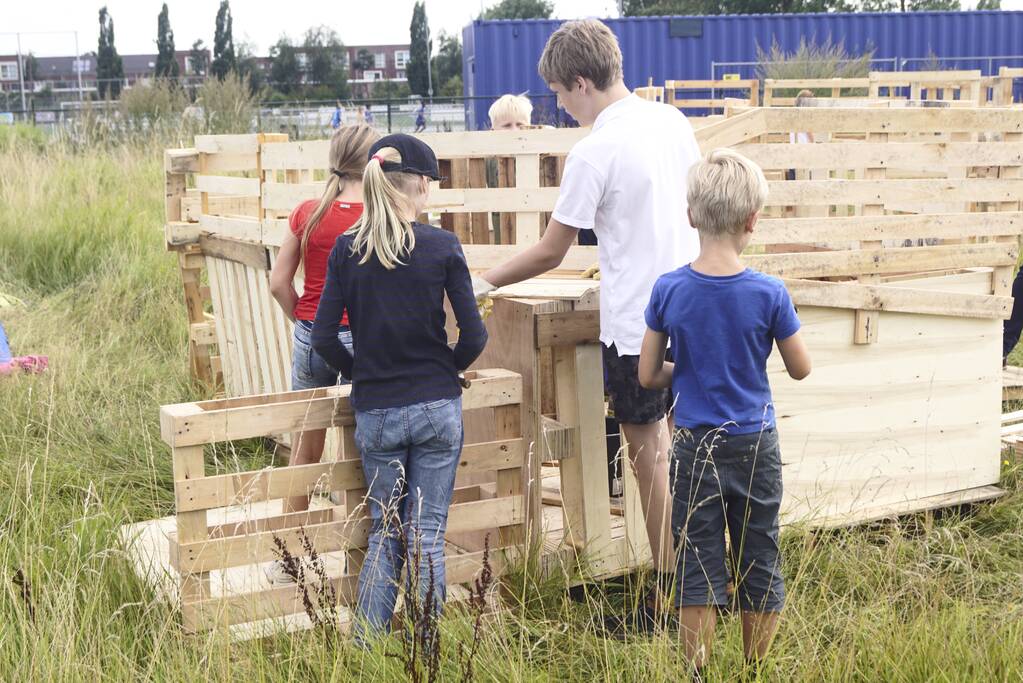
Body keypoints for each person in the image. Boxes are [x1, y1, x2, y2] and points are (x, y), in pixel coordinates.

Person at [472, 18, 701, 627]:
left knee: (648, 453)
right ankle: (705, 580)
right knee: (689, 448)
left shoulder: (594, 150)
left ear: (579, 82)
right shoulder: (673, 122)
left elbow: (551, 250)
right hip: (697, 306)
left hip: (638, 324)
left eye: (559, 93)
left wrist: (485, 279)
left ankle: (673, 593)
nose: (560, 106)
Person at [639, 148, 811, 678]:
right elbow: (801, 367)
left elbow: (648, 375)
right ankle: (756, 670)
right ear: (752, 221)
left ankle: (696, 672)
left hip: (694, 446)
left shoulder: (669, 289)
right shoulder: (769, 292)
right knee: (759, 553)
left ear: (692, 215)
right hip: (755, 442)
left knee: (698, 560)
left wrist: (686, 371)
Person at [310, 134, 487, 641]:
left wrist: (360, 370)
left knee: (386, 531)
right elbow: (474, 334)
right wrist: (445, 370)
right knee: (426, 533)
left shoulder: (348, 249)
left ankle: (367, 644)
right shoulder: (442, 246)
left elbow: (323, 336)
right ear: (421, 186)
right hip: (437, 405)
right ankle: (428, 647)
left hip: (378, 409)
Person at [266, 123, 380, 583]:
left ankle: (285, 558)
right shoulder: (381, 213)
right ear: (375, 162)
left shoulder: (307, 213)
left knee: (305, 448)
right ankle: (368, 553)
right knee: (368, 443)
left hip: (314, 332)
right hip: (366, 339)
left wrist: (306, 325)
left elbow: (278, 283)